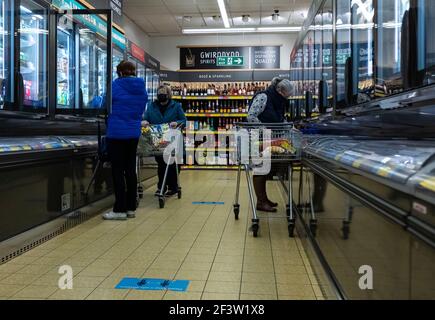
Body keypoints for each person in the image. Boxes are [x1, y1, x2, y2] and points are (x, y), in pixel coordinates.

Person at [103, 61, 148, 221]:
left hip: (116, 134)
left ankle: (119, 209)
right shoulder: (142, 88)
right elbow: (142, 110)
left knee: (117, 171)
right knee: (130, 170)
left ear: (120, 72)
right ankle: (130, 207)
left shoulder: (115, 86)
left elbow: (105, 106)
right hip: (133, 133)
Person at [247, 77, 294, 213]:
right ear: (280, 91)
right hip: (259, 140)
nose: (287, 99)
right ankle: (261, 202)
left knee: (283, 155)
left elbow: (278, 119)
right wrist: (266, 130)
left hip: (271, 141)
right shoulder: (263, 97)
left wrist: (289, 127)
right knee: (262, 166)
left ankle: (264, 199)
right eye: (287, 96)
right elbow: (251, 116)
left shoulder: (277, 102)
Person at [142, 85, 186, 197]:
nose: (161, 95)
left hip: (172, 139)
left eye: (163, 93)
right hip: (157, 140)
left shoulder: (175, 106)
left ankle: (172, 187)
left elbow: (184, 120)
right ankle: (161, 186)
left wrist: (177, 123)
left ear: (168, 94)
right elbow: (145, 117)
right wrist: (144, 121)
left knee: (171, 164)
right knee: (161, 164)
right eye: (159, 92)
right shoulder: (151, 106)